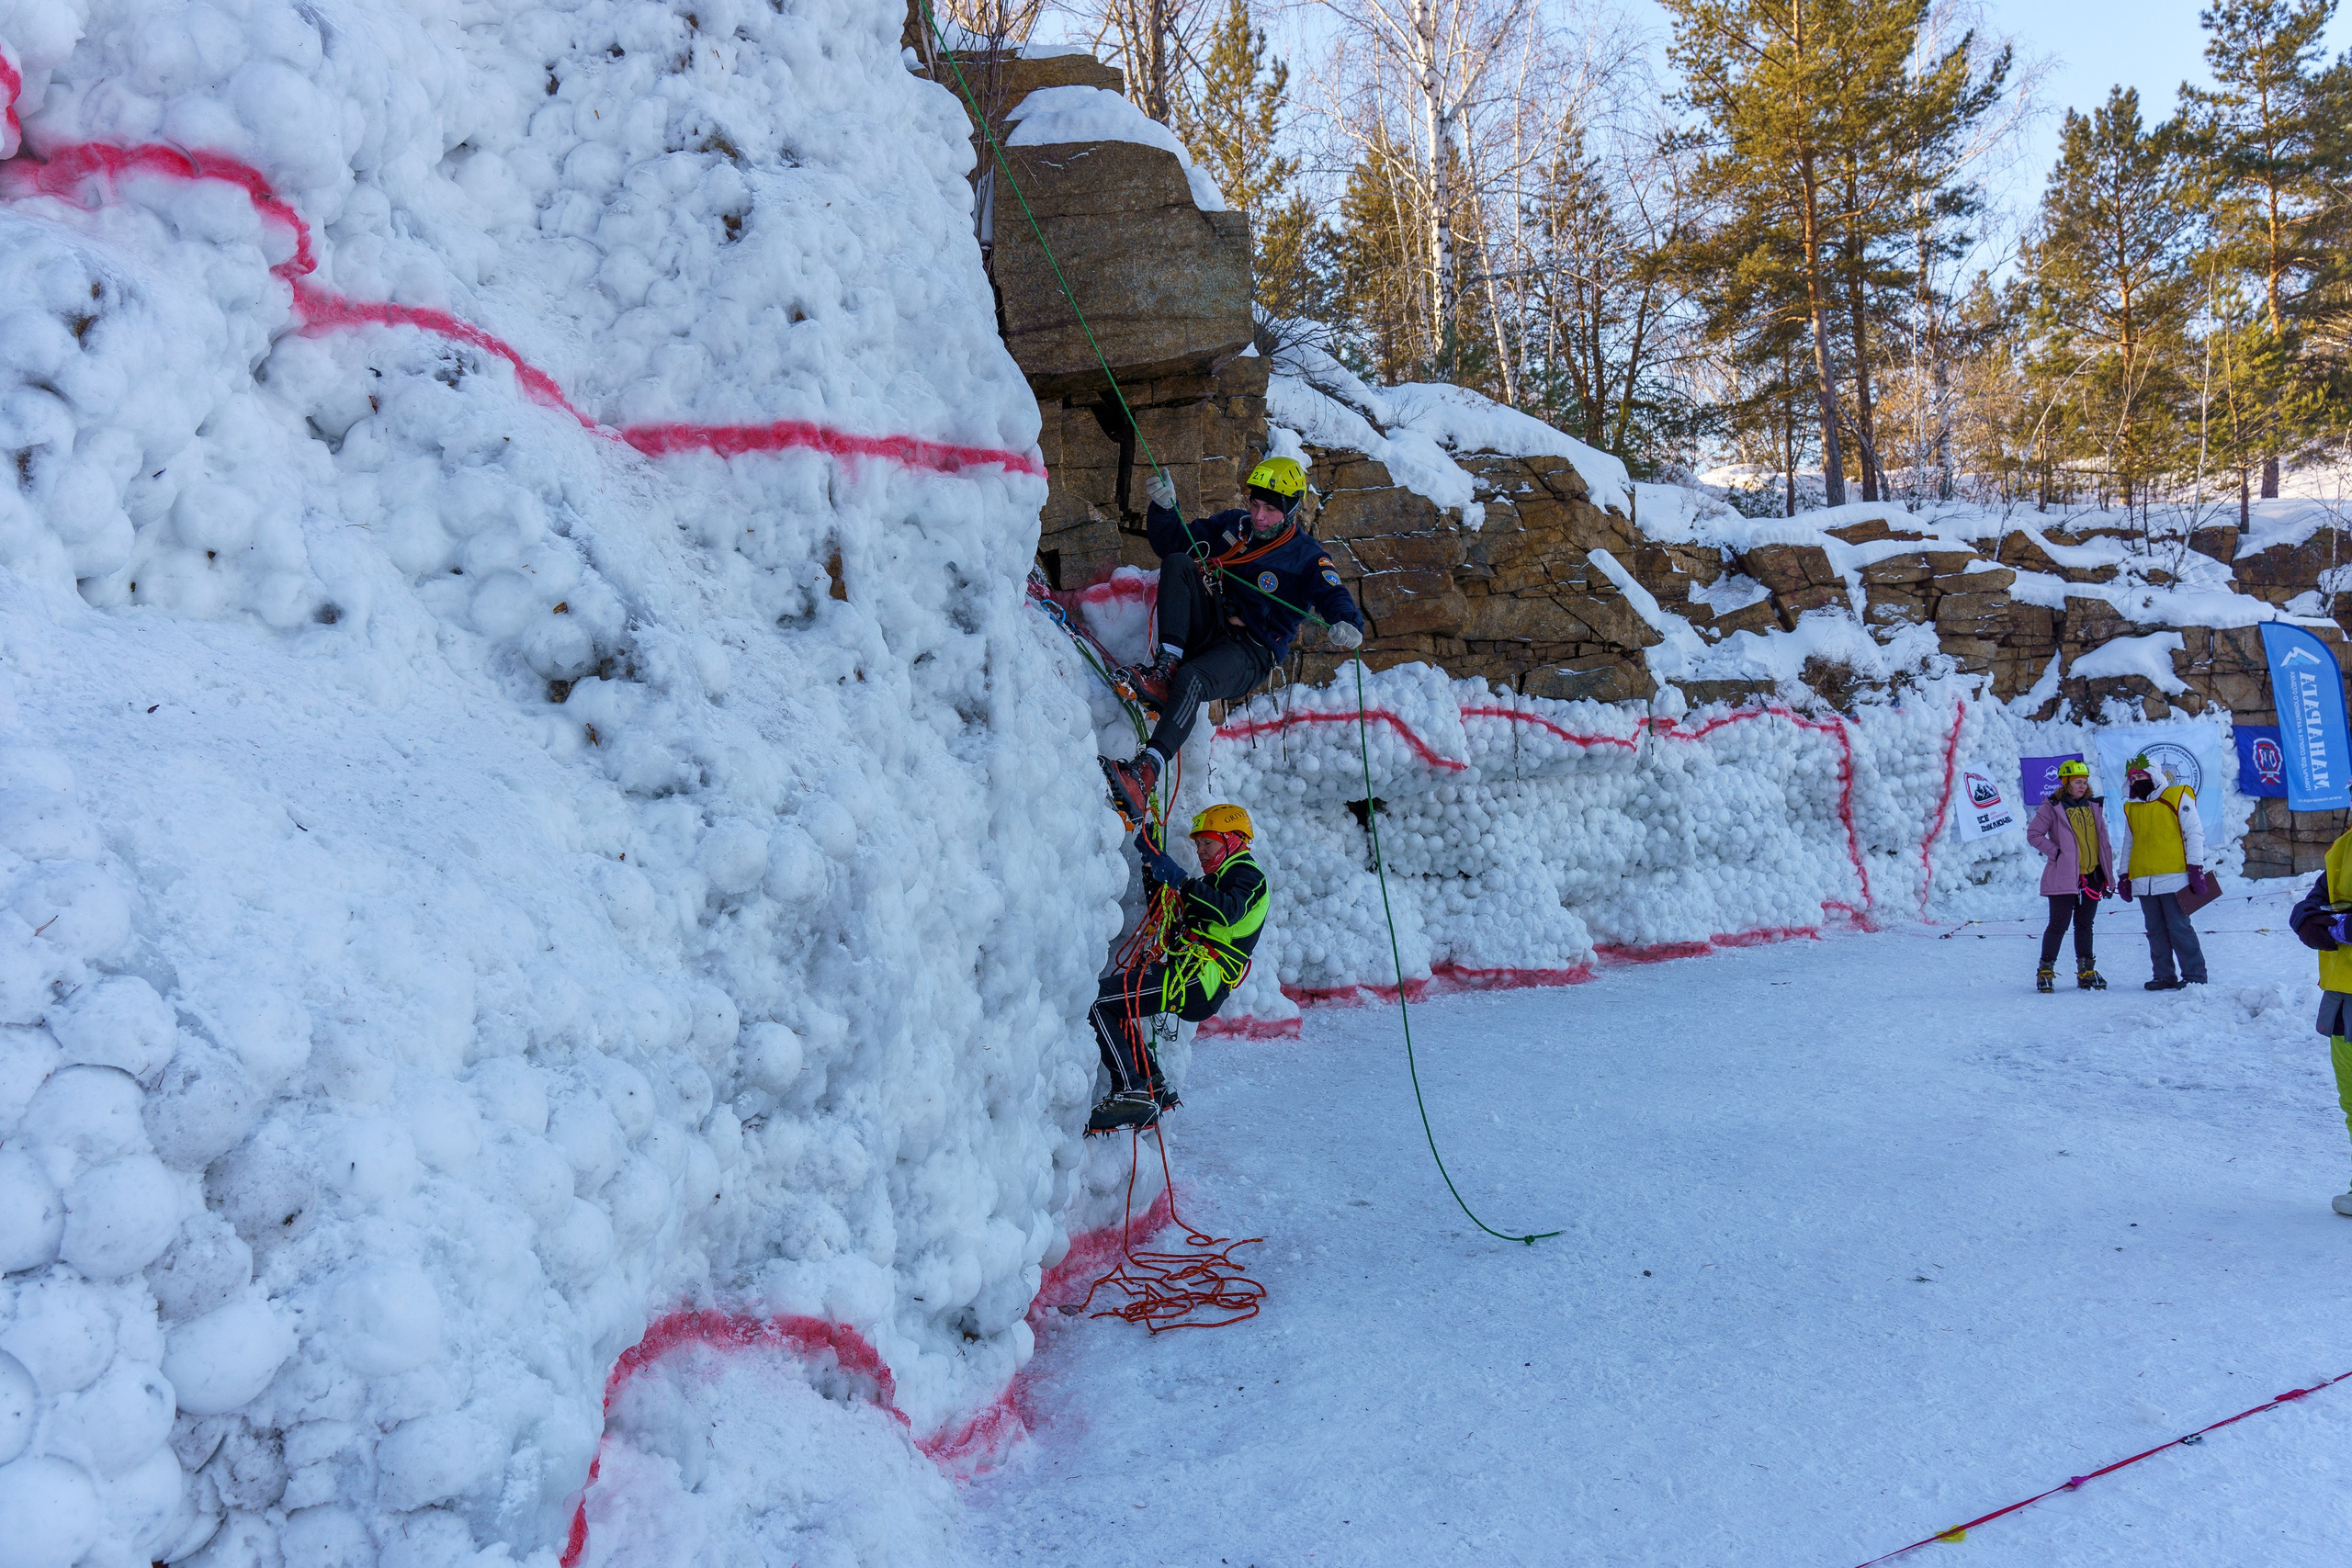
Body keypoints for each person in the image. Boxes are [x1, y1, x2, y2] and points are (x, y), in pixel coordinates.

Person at [1101, 457, 1364, 824]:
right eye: (1255, 505)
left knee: (1193, 677)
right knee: (1178, 563)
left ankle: (1145, 773)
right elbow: (1173, 543)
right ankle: (1164, 671)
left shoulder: (1308, 557)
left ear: (1291, 511)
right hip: (1215, 623)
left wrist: (1347, 622)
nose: (1259, 516)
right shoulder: (1233, 526)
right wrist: (1164, 509)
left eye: (1270, 509)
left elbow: (1333, 595)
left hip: (1251, 652)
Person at [1087, 804, 1270, 1134]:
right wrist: (1152, 866)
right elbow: (1170, 913)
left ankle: (1131, 1091)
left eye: (1208, 843)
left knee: (1098, 1002)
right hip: (1190, 977)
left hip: (1199, 980)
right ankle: (1153, 1085)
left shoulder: (1247, 874)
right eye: (1198, 844)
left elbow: (1228, 911)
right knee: (1115, 1005)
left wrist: (1179, 877)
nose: (1200, 851)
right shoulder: (1215, 881)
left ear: (1233, 839)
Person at [2288, 829, 2352, 1216]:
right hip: (2344, 992)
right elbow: (2316, 899)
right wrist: (2307, 918)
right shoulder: (2344, 846)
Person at [2115, 752, 2209, 990]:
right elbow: (2129, 843)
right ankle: (2163, 975)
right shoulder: (2132, 808)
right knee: (2155, 932)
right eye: (2132, 778)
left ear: (2154, 775)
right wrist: (2124, 875)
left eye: (2140, 776)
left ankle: (2195, 975)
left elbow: (2193, 833)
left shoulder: (2176, 797)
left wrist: (2196, 868)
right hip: (2144, 881)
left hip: (2174, 878)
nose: (2136, 781)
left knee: (2179, 928)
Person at [2025, 759, 2113, 992]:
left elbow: (2103, 842)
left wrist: (2107, 873)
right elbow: (2034, 834)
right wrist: (2056, 853)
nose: (2082, 786)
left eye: (2084, 782)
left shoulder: (2093, 806)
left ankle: (2086, 971)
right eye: (2077, 782)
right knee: (2058, 925)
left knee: (2085, 925)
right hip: (2063, 876)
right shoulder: (2052, 806)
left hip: (2092, 876)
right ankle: (2045, 971)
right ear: (2065, 783)